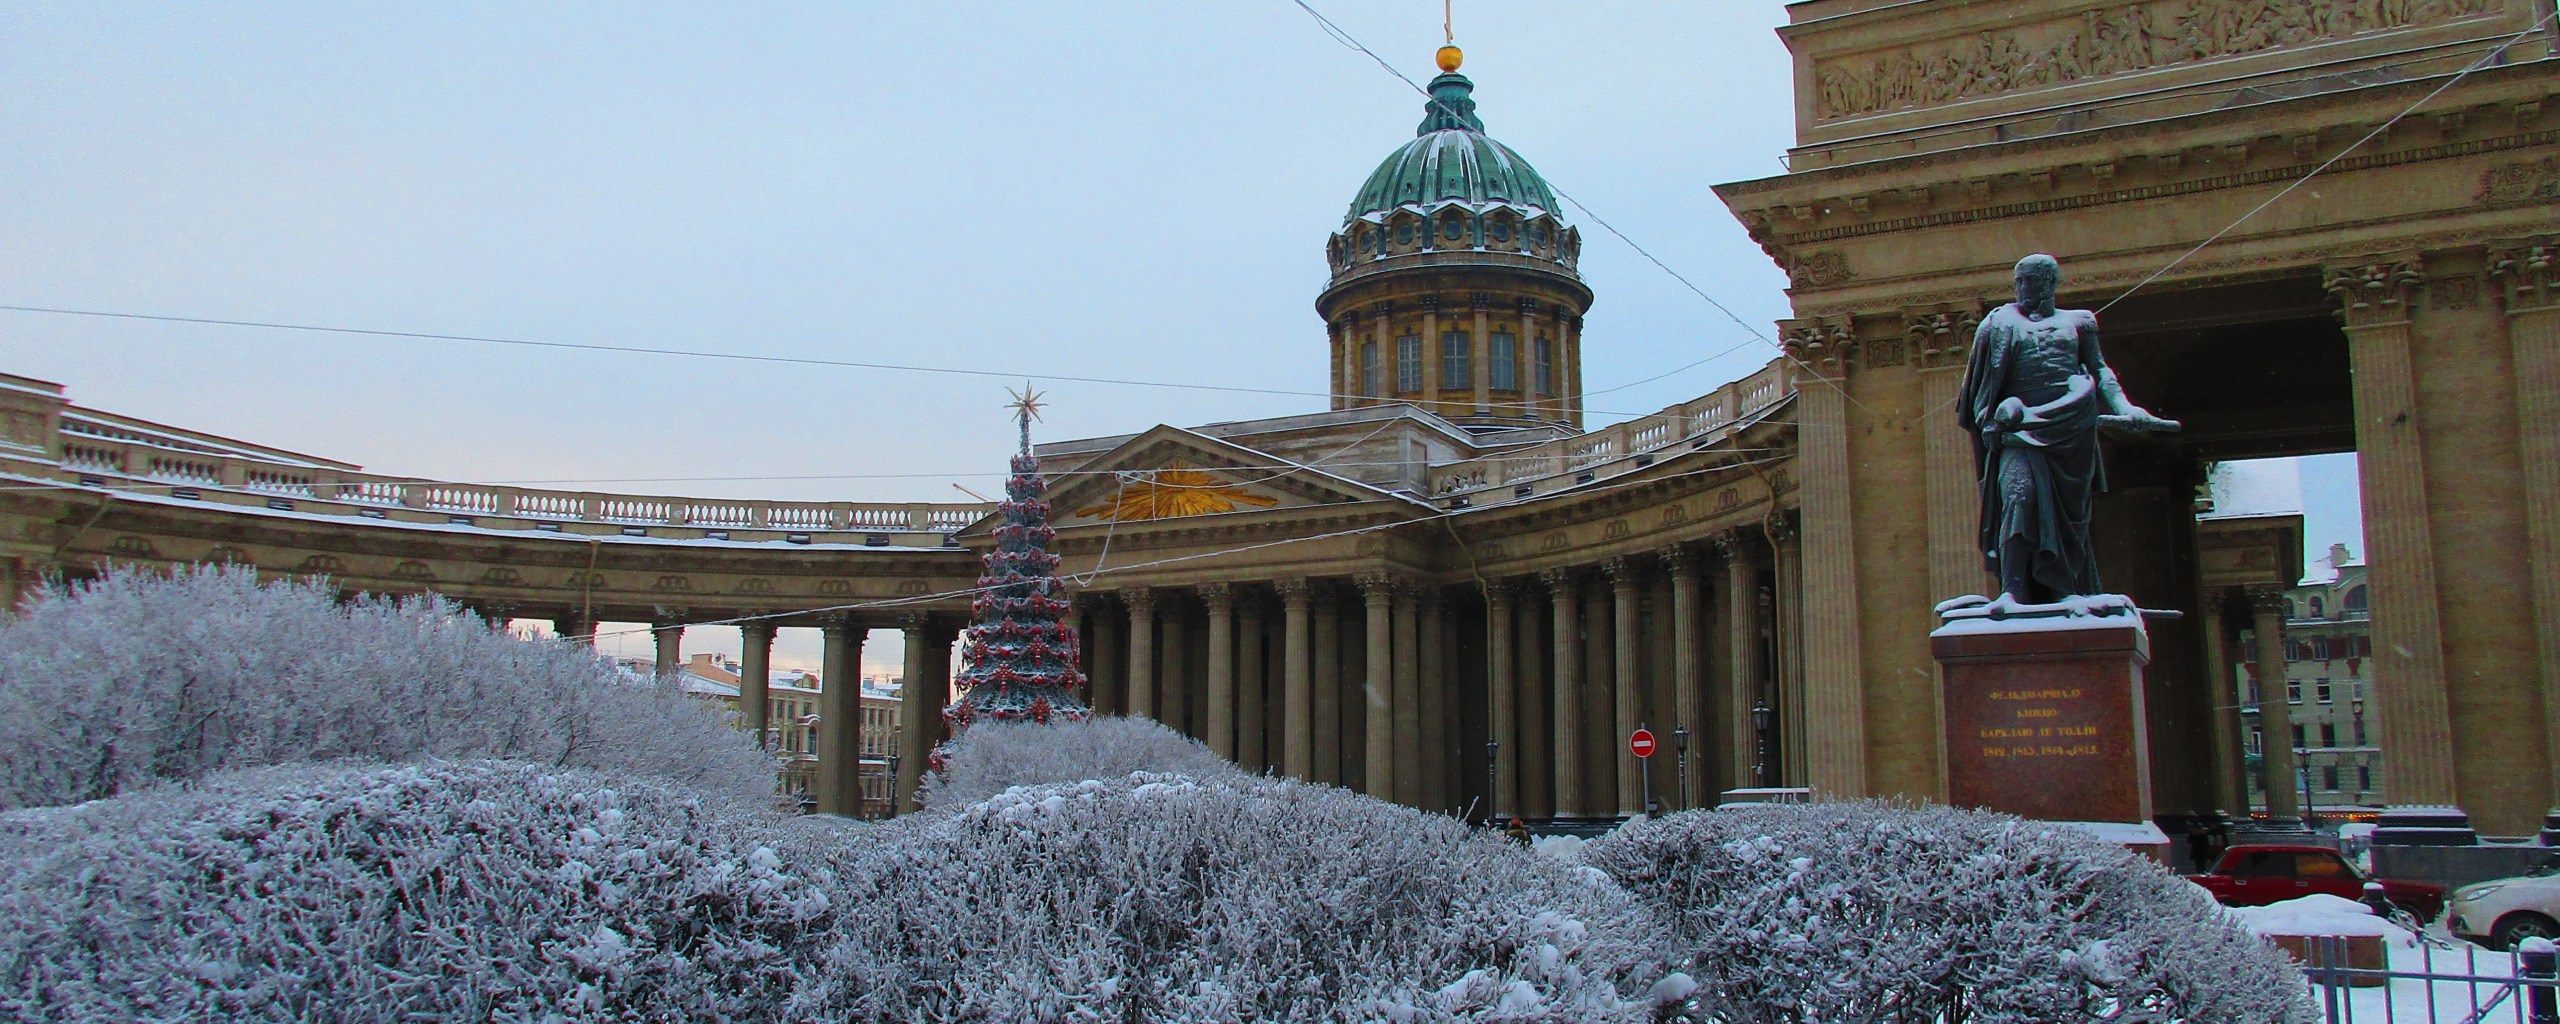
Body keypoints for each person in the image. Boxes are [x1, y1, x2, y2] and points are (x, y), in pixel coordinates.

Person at [1957, 254, 2179, 604]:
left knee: (2066, 520)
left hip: (2069, 431)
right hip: (2020, 430)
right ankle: (2011, 591)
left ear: (2050, 283)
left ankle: (2065, 592)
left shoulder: (2080, 322)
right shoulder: (1999, 323)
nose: (2022, 288)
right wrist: (1995, 417)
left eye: (2029, 280)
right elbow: (1977, 389)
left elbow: (2101, 370)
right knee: (2018, 496)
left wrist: (2125, 407)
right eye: (2018, 281)